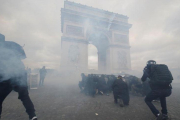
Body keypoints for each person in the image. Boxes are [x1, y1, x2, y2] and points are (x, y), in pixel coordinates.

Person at [0, 33, 37, 120]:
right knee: (24, 96)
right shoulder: (14, 44)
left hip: (6, 76)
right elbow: (23, 57)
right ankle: (33, 116)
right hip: (19, 73)